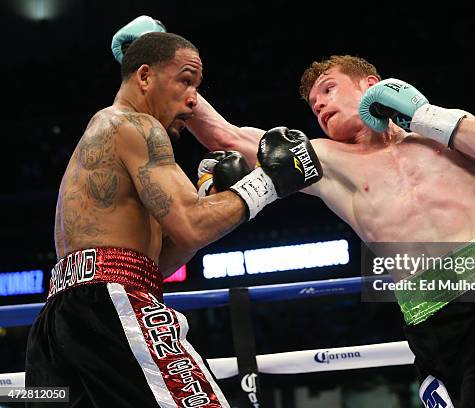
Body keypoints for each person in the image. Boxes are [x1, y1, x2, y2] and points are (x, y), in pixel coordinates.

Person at [112, 18, 475, 408]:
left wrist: (423, 114)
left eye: (328, 89)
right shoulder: (325, 160)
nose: (319, 106)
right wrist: (152, 52)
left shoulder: (438, 132)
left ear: (371, 84)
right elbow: (225, 135)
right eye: (312, 103)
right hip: (427, 318)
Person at [25, 30, 321, 408]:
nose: (193, 98)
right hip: (111, 304)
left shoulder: (108, 132)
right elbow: (192, 224)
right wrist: (270, 180)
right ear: (145, 76)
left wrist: (210, 200)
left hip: (60, 320)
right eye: (185, 80)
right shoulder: (136, 125)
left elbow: (160, 258)